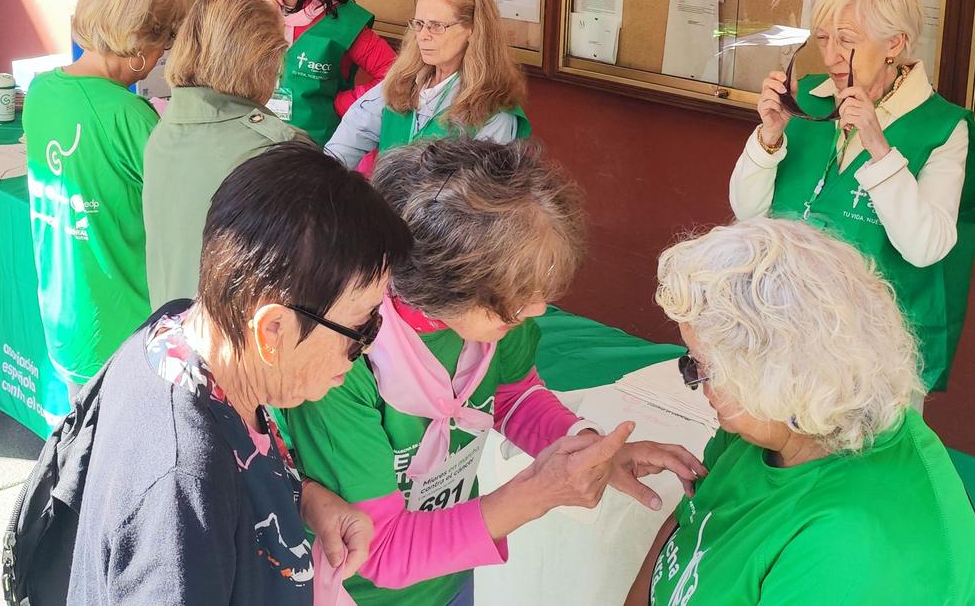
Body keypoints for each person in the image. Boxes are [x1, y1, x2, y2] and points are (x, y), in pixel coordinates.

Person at [284, 139, 703, 606]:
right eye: (516, 297)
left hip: (452, 568)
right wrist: (536, 494)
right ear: (443, 283)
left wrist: (583, 447)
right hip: (358, 593)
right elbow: (378, 550)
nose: (538, 308)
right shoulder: (342, 364)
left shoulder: (496, 323)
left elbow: (512, 393)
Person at [67, 143, 407, 604]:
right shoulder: (181, 491)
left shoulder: (179, 332)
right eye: (361, 327)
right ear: (272, 330)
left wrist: (305, 498)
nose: (367, 348)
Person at [627, 217, 975, 605]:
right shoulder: (763, 429)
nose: (695, 381)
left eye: (704, 367)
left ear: (781, 374)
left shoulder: (846, 547)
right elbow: (688, 525)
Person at [729, 0, 975, 396]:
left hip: (876, 353)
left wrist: (878, 146)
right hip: (781, 327)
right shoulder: (808, 99)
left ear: (895, 44)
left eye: (847, 41)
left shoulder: (942, 127)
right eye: (824, 38)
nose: (830, 56)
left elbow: (927, 247)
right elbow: (748, 212)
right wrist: (769, 136)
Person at [27, 0, 186, 389]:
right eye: (163, 43)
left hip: (65, 311)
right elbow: (182, 205)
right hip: (123, 322)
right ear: (139, 46)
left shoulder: (42, 90)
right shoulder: (129, 114)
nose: (161, 57)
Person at [143, 0, 306, 308]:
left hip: (172, 336)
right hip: (240, 347)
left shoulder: (165, 130)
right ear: (263, 59)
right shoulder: (273, 148)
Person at [325, 0, 528, 168]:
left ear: (473, 30)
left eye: (437, 26)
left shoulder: (495, 112)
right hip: (384, 202)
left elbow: (481, 194)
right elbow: (352, 133)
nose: (422, 36)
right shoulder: (402, 81)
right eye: (419, 24)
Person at [259, 0, 395, 145]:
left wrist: (344, 103)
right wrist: (261, 18)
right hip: (256, 137)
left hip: (315, 147)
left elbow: (393, 74)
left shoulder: (341, 20)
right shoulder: (248, 5)